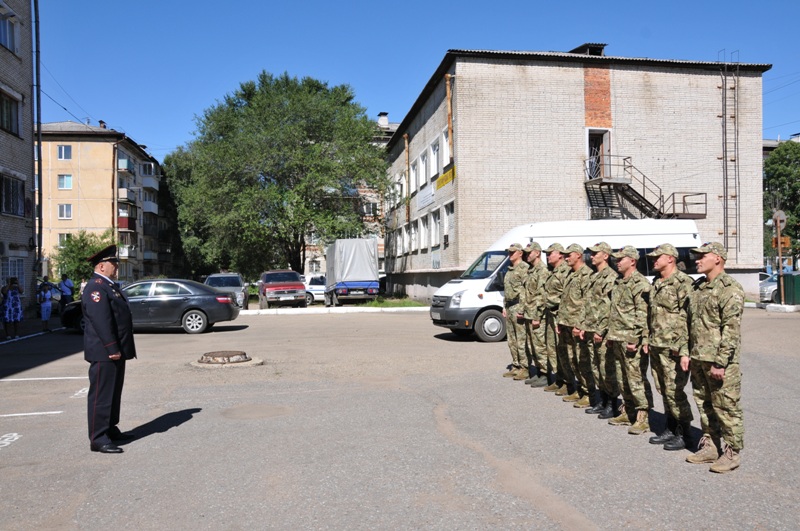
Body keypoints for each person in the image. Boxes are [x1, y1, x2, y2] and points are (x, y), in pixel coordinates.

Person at [685, 242, 744, 473]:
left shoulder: (730, 288)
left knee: (726, 407)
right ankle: (710, 446)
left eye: (702, 256)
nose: (697, 260)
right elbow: (691, 324)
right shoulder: (699, 288)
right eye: (697, 256)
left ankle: (731, 452)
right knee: (704, 404)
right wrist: (687, 352)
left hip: (720, 362)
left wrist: (721, 362)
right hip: (698, 357)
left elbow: (731, 329)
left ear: (717, 258)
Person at [83, 245, 137, 454]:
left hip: (116, 349)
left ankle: (110, 428)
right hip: (104, 351)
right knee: (101, 395)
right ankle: (98, 438)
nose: (116, 267)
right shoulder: (95, 288)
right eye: (113, 263)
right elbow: (101, 321)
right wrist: (111, 347)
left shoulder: (108, 285)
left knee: (114, 393)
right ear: (101, 266)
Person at [646, 244, 694, 451]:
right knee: (663, 389)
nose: (654, 260)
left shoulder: (683, 283)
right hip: (657, 344)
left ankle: (685, 433)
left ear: (670, 259)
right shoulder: (657, 282)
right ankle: (671, 427)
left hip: (673, 347)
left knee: (675, 391)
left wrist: (684, 349)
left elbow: (689, 318)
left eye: (658, 257)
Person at [606, 246, 653, 435]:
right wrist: (611, 335)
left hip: (631, 339)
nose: (617, 262)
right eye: (616, 259)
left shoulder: (640, 283)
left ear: (632, 261)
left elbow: (642, 314)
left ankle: (643, 417)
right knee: (622, 377)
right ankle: (628, 411)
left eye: (621, 259)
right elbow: (614, 311)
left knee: (636, 379)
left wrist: (635, 339)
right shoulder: (618, 281)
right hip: (617, 337)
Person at [581, 242, 619, 418]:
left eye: (595, 253)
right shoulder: (594, 276)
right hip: (591, 328)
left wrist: (601, 330)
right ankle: (603, 400)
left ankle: (612, 403)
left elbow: (608, 307)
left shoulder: (610, 277)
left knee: (606, 368)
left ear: (605, 255)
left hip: (601, 331)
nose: (591, 256)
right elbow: (588, 304)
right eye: (591, 253)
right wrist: (584, 326)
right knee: (595, 367)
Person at [557, 243, 595, 407]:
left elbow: (587, 303)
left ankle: (589, 393)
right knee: (572, 359)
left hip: (577, 326)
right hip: (567, 323)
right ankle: (580, 389)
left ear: (578, 255)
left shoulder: (587, 275)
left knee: (582, 360)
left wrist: (580, 325)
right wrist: (560, 321)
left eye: (569, 255)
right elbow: (565, 300)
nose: (566, 258)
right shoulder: (571, 274)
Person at [541, 243, 572, 394]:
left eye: (550, 253)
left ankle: (568, 382)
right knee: (552, 348)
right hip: (550, 314)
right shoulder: (553, 271)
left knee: (562, 350)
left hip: (559, 315)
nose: (547, 256)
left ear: (560, 254)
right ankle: (559, 378)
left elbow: (567, 296)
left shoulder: (566, 272)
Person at [522, 242, 549, 387]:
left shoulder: (542, 271)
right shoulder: (531, 270)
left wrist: (537, 316)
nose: (527, 255)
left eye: (529, 252)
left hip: (537, 315)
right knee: (532, 345)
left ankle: (545, 374)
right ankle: (538, 371)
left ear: (537, 253)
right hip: (529, 314)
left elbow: (541, 296)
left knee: (540, 345)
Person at [502, 243, 529, 380]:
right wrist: (504, 306)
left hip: (518, 306)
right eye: (509, 252)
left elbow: (526, 290)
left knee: (521, 339)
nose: (510, 255)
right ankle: (516, 365)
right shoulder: (510, 269)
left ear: (520, 253)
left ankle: (525, 367)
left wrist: (522, 309)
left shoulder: (524, 268)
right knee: (511, 339)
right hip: (510, 307)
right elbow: (507, 291)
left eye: (513, 252)